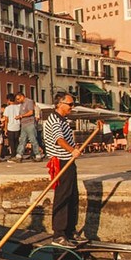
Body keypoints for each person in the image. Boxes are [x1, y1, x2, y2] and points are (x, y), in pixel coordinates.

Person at [43, 92, 82, 246]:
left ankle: (70, 231)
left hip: (68, 161)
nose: (72, 107)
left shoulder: (63, 120)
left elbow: (65, 140)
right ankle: (59, 234)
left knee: (73, 197)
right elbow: (58, 140)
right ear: (59, 104)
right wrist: (72, 150)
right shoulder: (54, 120)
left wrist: (74, 148)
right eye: (70, 104)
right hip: (61, 162)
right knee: (63, 197)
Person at [15, 91, 44, 161]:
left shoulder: (29, 102)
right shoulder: (21, 104)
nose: (18, 101)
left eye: (18, 99)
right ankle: (19, 155)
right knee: (22, 140)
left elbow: (31, 112)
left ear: (22, 96)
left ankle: (38, 155)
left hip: (30, 123)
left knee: (33, 139)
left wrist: (21, 116)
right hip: (24, 124)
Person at [2, 95, 21, 159]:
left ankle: (13, 155)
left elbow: (6, 119)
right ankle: (18, 155)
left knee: (12, 142)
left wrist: (5, 129)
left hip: (10, 127)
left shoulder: (7, 108)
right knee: (17, 142)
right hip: (17, 126)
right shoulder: (18, 107)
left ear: (9, 100)